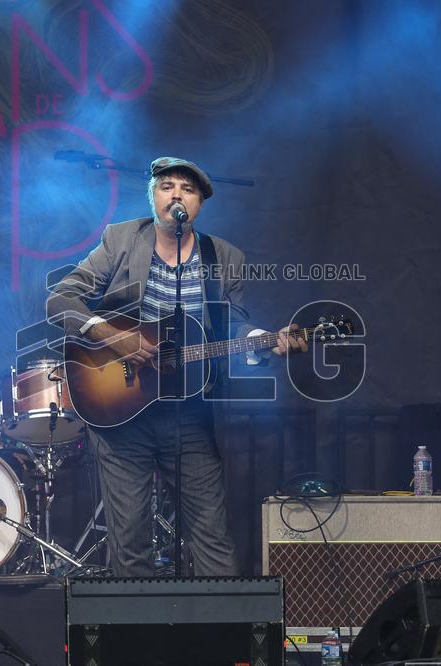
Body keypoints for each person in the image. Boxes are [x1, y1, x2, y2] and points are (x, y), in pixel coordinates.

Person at [47, 156, 306, 576]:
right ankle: (139, 636)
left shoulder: (223, 257)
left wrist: (266, 342)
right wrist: (112, 336)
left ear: (200, 202)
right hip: (119, 413)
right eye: (167, 186)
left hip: (190, 416)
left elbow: (233, 325)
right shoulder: (121, 239)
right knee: (129, 541)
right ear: (152, 197)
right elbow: (61, 299)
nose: (177, 195)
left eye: (187, 189)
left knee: (212, 537)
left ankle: (223, 636)